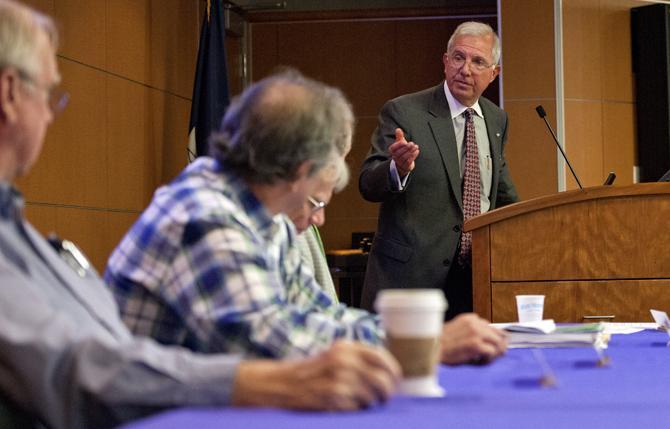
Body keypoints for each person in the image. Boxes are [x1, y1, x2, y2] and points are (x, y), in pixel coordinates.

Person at [0, 1, 402, 428]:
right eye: (48, 92)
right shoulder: (202, 216)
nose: (50, 112)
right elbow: (81, 370)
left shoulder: (13, 222)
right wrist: (412, 342)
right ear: (9, 93)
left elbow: (314, 314)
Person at [105, 66, 507, 363]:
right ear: (297, 171)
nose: (319, 220)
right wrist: (428, 345)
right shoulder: (205, 217)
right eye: (318, 202)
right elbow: (276, 343)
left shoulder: (265, 218)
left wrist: (424, 335)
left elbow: (320, 315)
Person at [359, 21, 519, 320]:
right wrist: (398, 168)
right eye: (459, 57)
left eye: (478, 61)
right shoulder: (404, 111)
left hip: (475, 283)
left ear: (494, 73)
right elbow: (368, 183)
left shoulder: (497, 120)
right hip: (411, 282)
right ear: (446, 62)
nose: (465, 69)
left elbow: (500, 194)